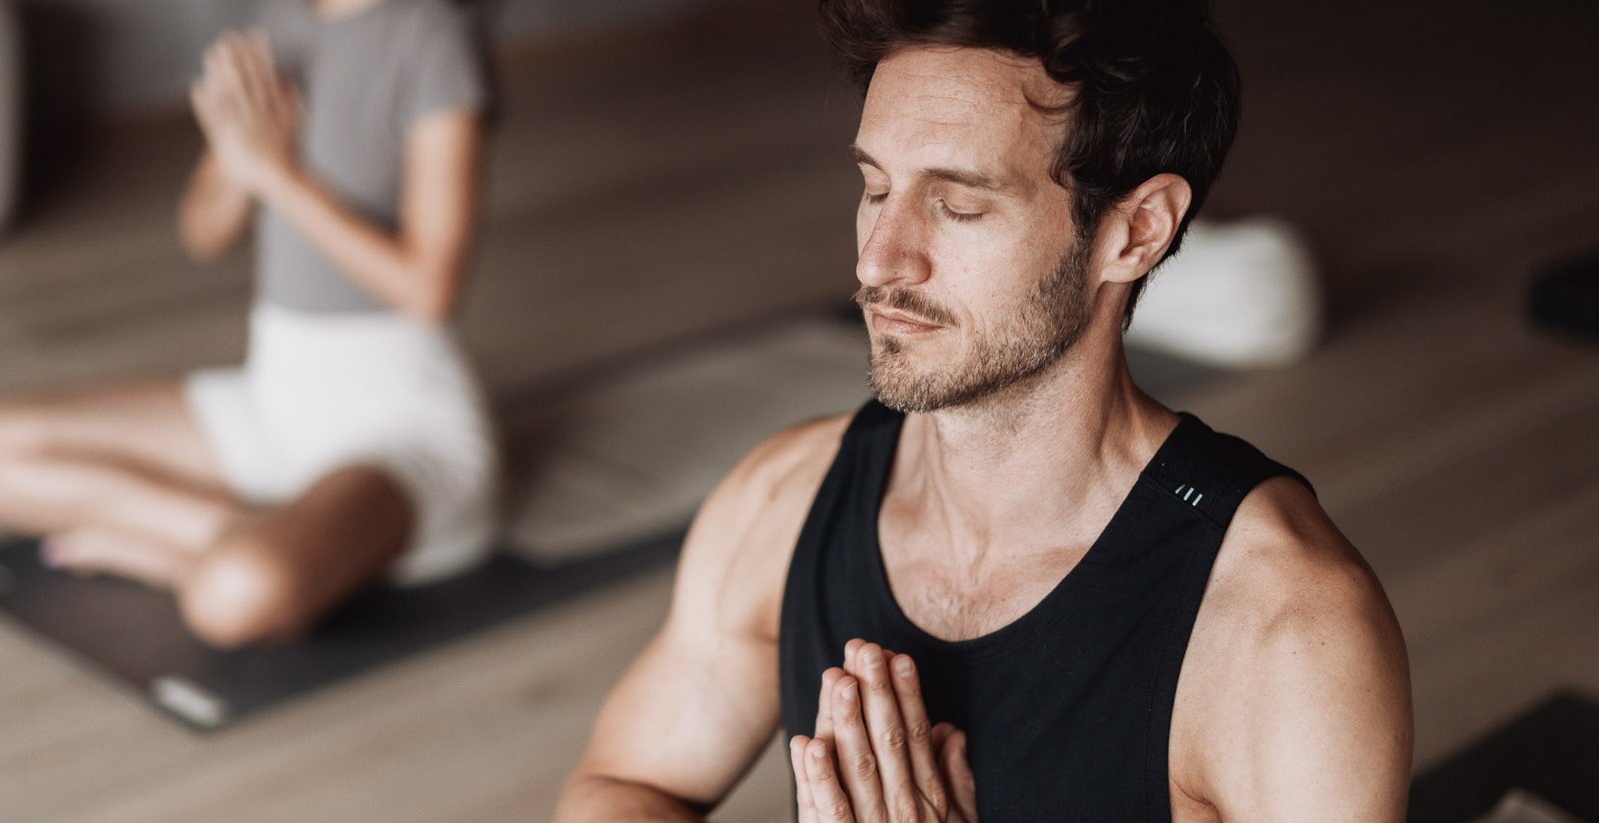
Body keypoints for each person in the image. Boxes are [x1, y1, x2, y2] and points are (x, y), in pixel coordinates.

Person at [555, 0, 1411, 820]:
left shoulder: (1286, 629)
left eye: (958, 203)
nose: (882, 261)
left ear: (1137, 230)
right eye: (875, 187)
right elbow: (620, 784)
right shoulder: (781, 501)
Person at [0, 0, 496, 648]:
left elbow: (429, 289)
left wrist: (278, 176)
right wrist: (237, 158)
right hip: (273, 402)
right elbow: (203, 233)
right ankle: (248, 529)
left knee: (236, 596)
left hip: (400, 429)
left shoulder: (432, 35)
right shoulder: (278, 23)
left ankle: (182, 552)